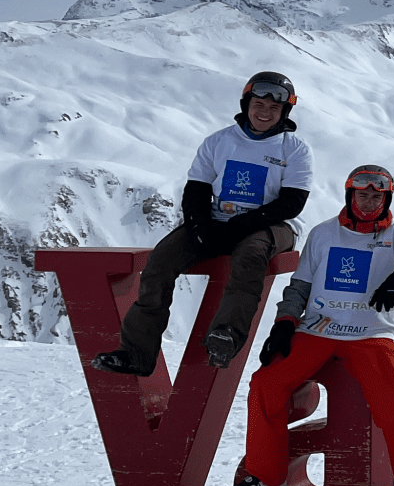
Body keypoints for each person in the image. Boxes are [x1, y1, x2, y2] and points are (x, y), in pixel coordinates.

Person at [213, 165, 394, 486]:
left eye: (376, 195)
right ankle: (267, 481)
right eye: (362, 194)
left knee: (393, 398)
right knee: (265, 384)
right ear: (349, 194)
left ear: (386, 198)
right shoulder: (324, 233)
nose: (368, 201)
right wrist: (284, 323)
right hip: (317, 330)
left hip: (370, 334)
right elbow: (301, 285)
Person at [94, 72, 313, 374]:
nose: (265, 112)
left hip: (275, 226)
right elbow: (196, 190)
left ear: (284, 112)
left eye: (273, 108)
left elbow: (291, 203)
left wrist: (236, 227)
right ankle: (135, 355)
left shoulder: (295, 149)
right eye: (259, 104)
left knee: (250, 257)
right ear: (246, 104)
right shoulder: (219, 142)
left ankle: (226, 337)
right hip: (217, 220)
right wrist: (199, 228)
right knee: (159, 262)